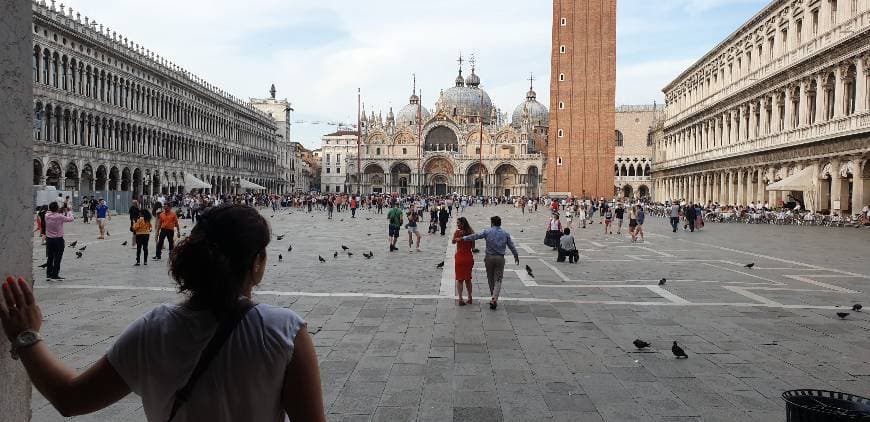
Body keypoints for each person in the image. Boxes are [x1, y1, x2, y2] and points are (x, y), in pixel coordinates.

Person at [0, 205, 326, 421]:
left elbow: (69, 398)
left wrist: (26, 336)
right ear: (256, 263)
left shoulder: (153, 329)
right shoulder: (284, 331)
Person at [461, 216, 519, 310]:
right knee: (498, 279)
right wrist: (516, 256)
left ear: (492, 223)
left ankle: (493, 297)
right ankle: (494, 298)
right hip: (500, 258)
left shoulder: (487, 231)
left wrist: (463, 238)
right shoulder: (505, 233)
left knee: (490, 278)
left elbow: (476, 236)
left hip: (489, 258)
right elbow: (511, 246)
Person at [44, 202, 74, 280]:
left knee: (50, 257)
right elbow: (71, 219)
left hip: (49, 239)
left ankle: (49, 274)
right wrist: (69, 211)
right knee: (58, 257)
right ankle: (55, 274)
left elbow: (51, 212)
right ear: (57, 208)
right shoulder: (60, 217)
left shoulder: (46, 216)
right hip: (58, 239)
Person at [452, 217, 475, 306]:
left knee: (460, 279)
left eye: (458, 223)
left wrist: (459, 238)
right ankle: (469, 297)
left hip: (460, 258)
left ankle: (460, 298)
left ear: (462, 224)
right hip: (468, 257)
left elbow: (453, 242)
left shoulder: (457, 232)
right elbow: (473, 247)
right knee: (468, 279)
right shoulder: (471, 233)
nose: (457, 224)